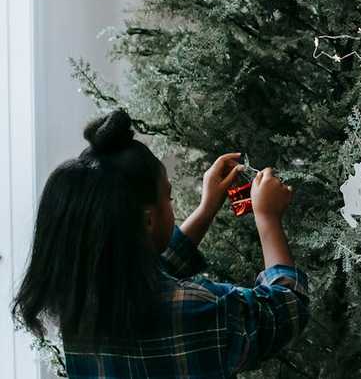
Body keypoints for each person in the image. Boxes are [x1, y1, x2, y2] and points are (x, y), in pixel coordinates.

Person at [11, 110, 308, 378]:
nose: (171, 203)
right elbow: (284, 311)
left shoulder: (80, 305)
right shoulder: (199, 309)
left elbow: (155, 271)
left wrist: (206, 210)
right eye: (168, 196)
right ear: (148, 221)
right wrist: (268, 218)